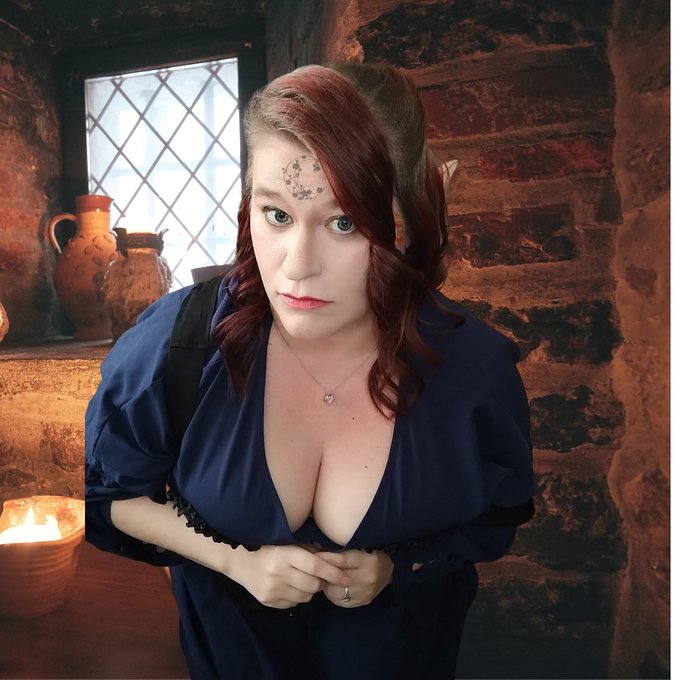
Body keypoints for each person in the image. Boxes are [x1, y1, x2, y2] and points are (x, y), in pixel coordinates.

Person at [85, 62, 535, 680]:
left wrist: (398, 567)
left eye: (345, 222)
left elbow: (494, 519)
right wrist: (234, 562)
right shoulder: (179, 343)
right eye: (276, 215)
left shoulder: (473, 371)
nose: (297, 266)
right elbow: (112, 497)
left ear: (409, 216)